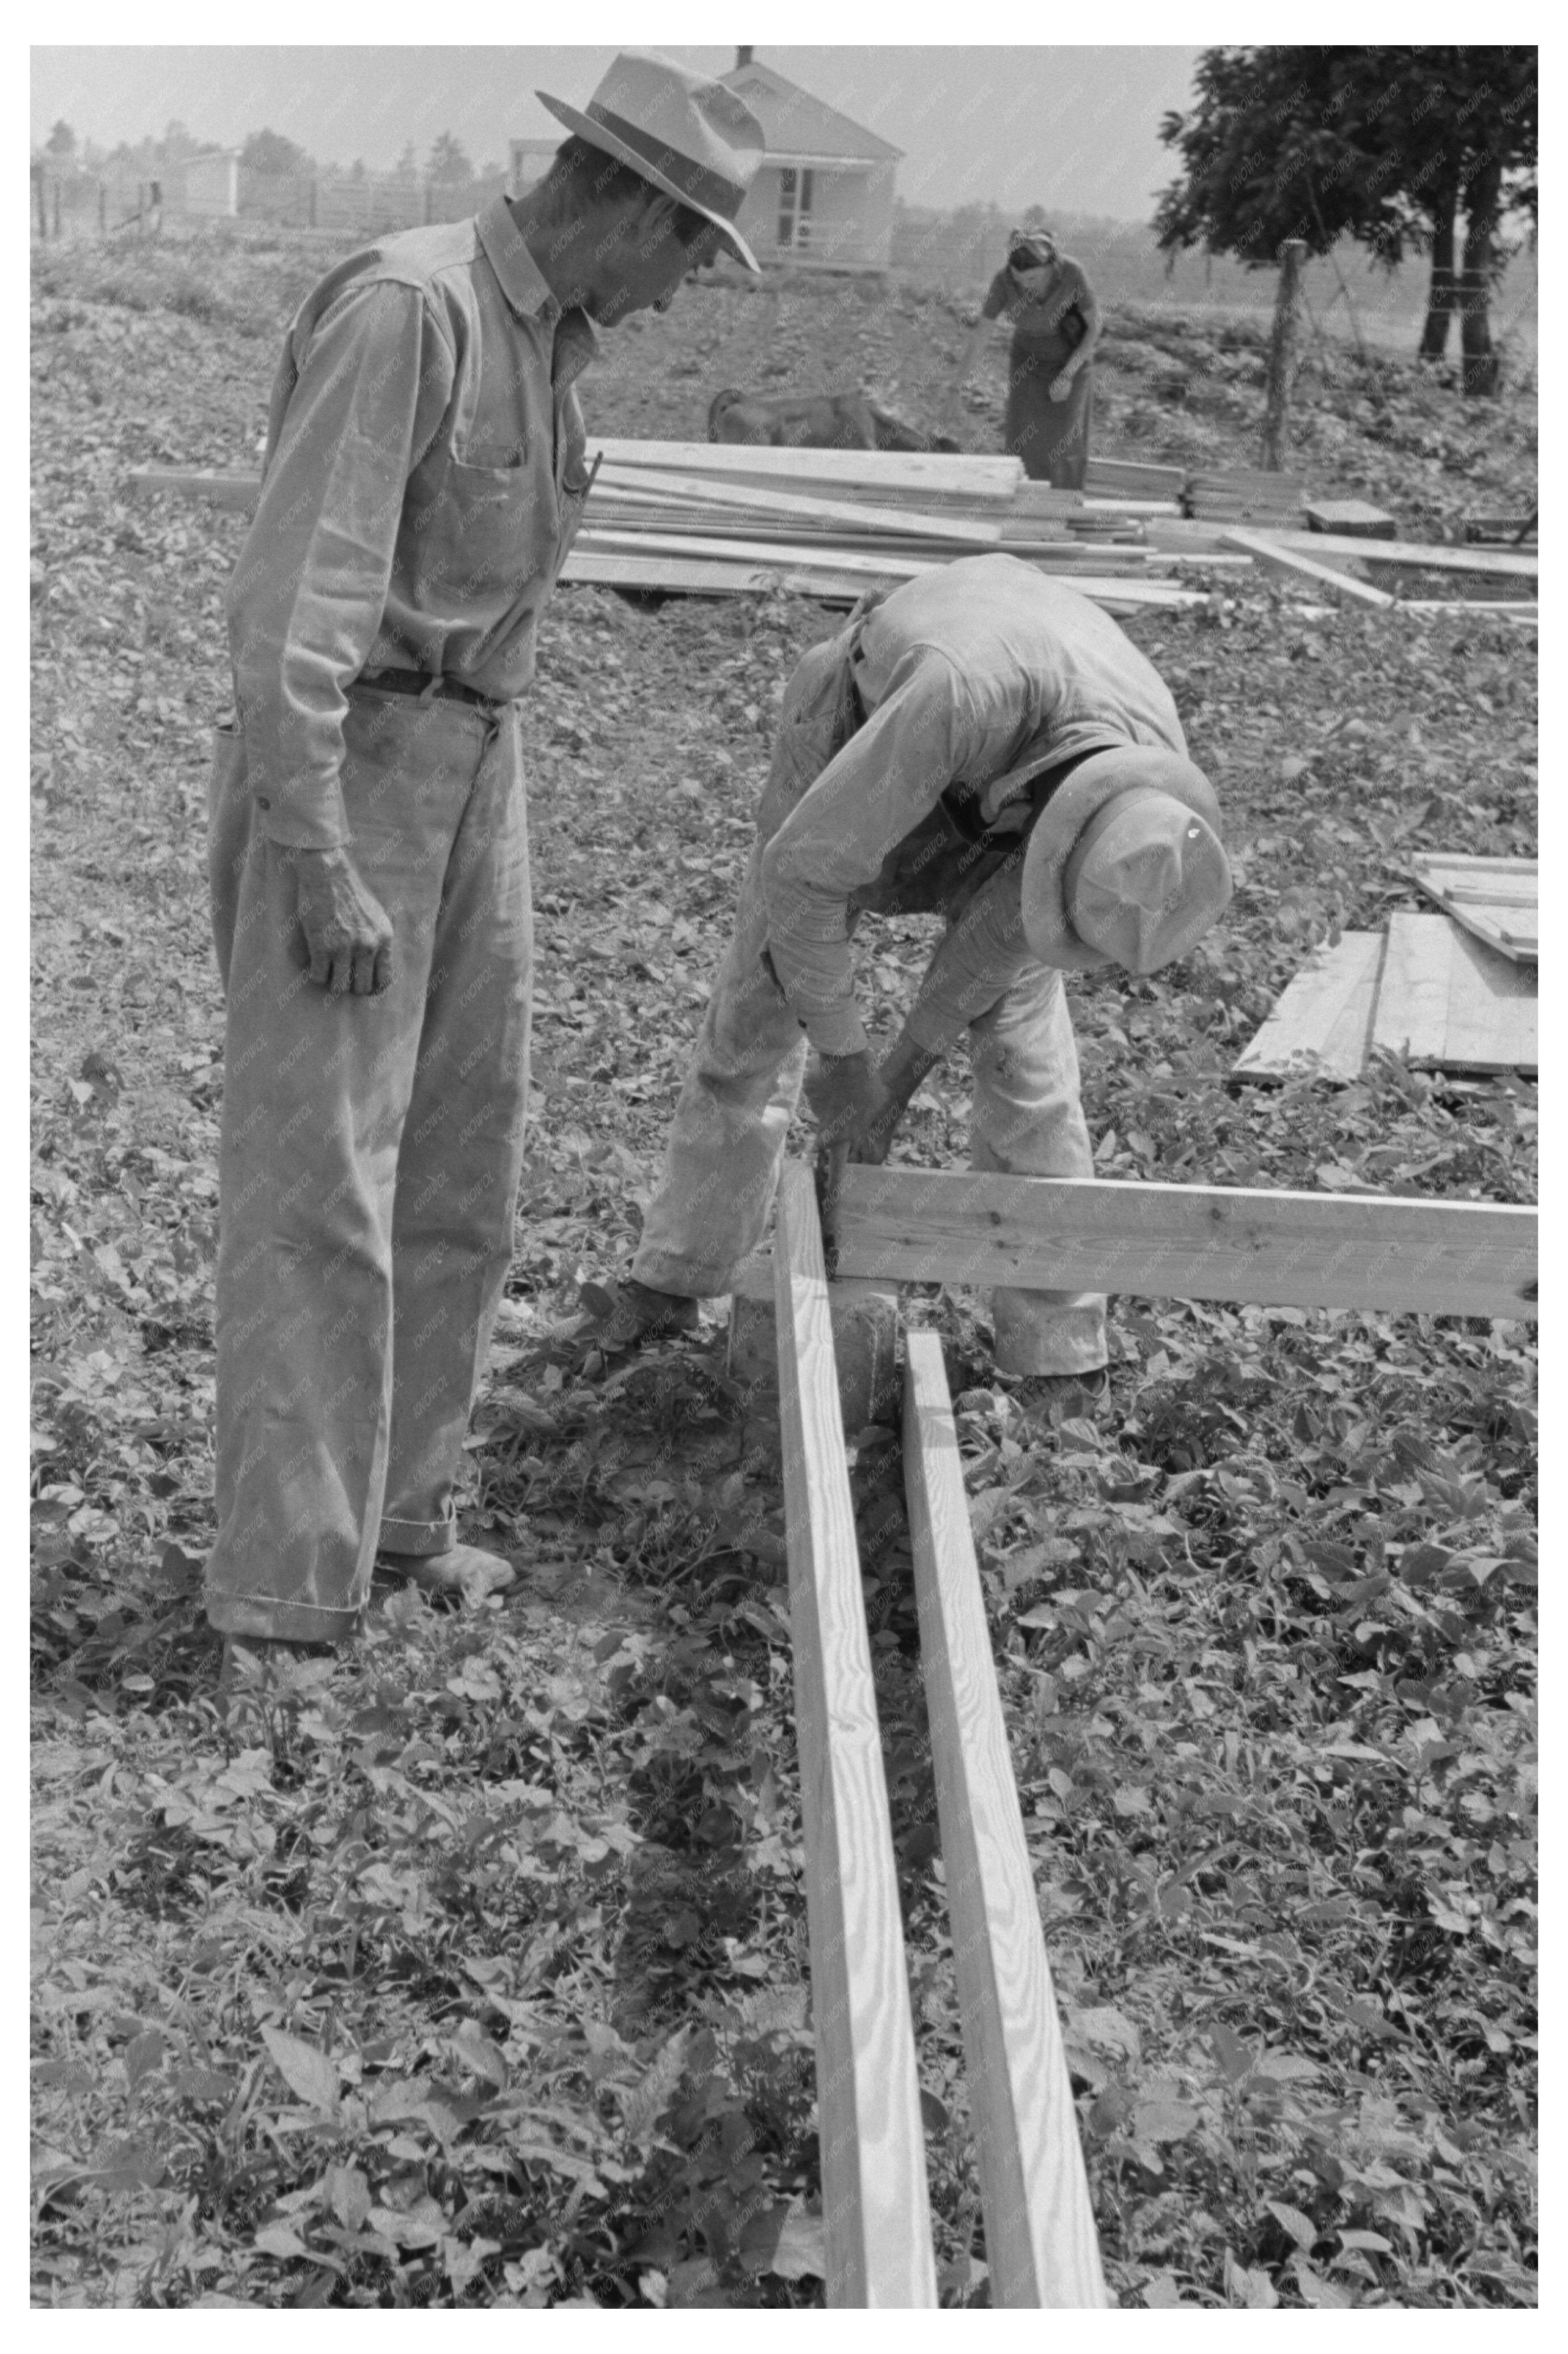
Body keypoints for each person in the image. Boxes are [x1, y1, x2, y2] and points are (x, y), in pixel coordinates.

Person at [204, 53, 765, 1661]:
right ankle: (280, 1600)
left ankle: (397, 1520)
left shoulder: (554, 350)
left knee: (460, 1165)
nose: (674, 297)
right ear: (631, 204)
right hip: (354, 764)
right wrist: (315, 853)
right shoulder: (410, 314)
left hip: (476, 763)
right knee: (320, 1181)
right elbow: (294, 612)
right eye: (684, 252)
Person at [592, 556, 1231, 1403]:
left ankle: (1056, 1356)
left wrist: (892, 1082)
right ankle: (676, 1275)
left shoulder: (1154, 810)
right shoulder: (960, 698)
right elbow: (805, 878)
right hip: (869, 719)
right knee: (761, 1007)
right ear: (1063, 834)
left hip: (1016, 778)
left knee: (1025, 1058)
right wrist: (846, 1057)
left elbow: (997, 941)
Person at [944, 227, 1100, 489]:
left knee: (1065, 440)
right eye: (1021, 280)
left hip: (1071, 358)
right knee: (1023, 439)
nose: (1027, 286)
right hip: (1028, 360)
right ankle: (1026, 507)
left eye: (1034, 279)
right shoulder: (1003, 281)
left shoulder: (1072, 273)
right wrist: (956, 387)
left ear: (1051, 266)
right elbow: (981, 337)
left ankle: (1063, 506)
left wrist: (1067, 375)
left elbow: (1095, 327)